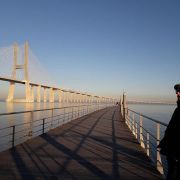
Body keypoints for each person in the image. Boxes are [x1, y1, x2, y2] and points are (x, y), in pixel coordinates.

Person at [157, 84, 180, 179]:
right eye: (176, 91)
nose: (177, 93)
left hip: (176, 152)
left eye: (179, 91)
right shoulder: (178, 109)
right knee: (171, 172)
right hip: (172, 150)